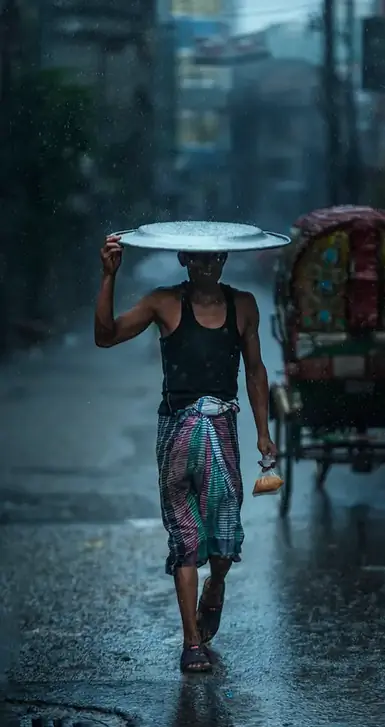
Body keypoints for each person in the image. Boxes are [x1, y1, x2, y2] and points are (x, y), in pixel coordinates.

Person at [95, 235, 276, 673]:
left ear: (224, 259)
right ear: (184, 259)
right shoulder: (163, 303)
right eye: (197, 257)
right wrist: (109, 275)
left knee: (225, 535)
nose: (205, 265)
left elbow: (254, 370)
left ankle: (214, 588)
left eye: (213, 257)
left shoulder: (244, 306)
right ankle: (191, 642)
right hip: (175, 433)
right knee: (185, 538)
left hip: (224, 433)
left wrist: (264, 433)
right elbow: (106, 336)